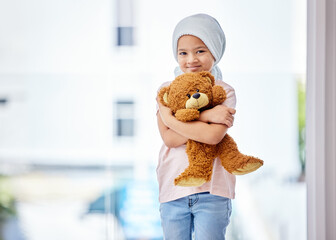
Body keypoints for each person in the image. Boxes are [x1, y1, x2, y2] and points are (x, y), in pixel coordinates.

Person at [156, 13, 237, 239]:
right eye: (183, 53)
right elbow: (169, 139)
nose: (191, 59)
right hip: (173, 189)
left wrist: (173, 121)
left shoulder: (224, 91)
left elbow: (212, 137)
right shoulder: (166, 90)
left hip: (213, 190)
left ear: (214, 51)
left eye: (200, 50)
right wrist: (208, 114)